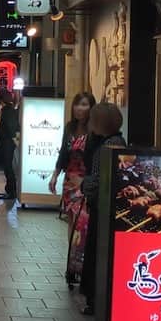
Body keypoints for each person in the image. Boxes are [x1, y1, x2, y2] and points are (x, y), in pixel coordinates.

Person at [78, 102, 126, 315]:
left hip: (103, 207)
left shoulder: (108, 146)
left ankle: (96, 299)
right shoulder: (115, 141)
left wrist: (84, 186)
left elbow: (98, 178)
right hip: (105, 205)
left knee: (97, 252)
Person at [48, 92, 96, 285]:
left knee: (82, 223)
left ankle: (82, 265)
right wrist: (55, 175)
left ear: (91, 108)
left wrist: (87, 180)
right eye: (77, 104)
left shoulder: (94, 131)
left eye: (84, 104)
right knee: (72, 223)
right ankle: (72, 265)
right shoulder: (70, 128)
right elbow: (63, 153)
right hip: (69, 181)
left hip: (85, 181)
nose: (79, 108)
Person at [0, 88, 19, 201]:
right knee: (7, 165)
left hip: (8, 141)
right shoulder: (9, 109)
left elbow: (10, 127)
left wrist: (14, 139)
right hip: (8, 140)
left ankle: (11, 191)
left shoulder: (7, 110)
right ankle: (9, 190)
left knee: (8, 166)